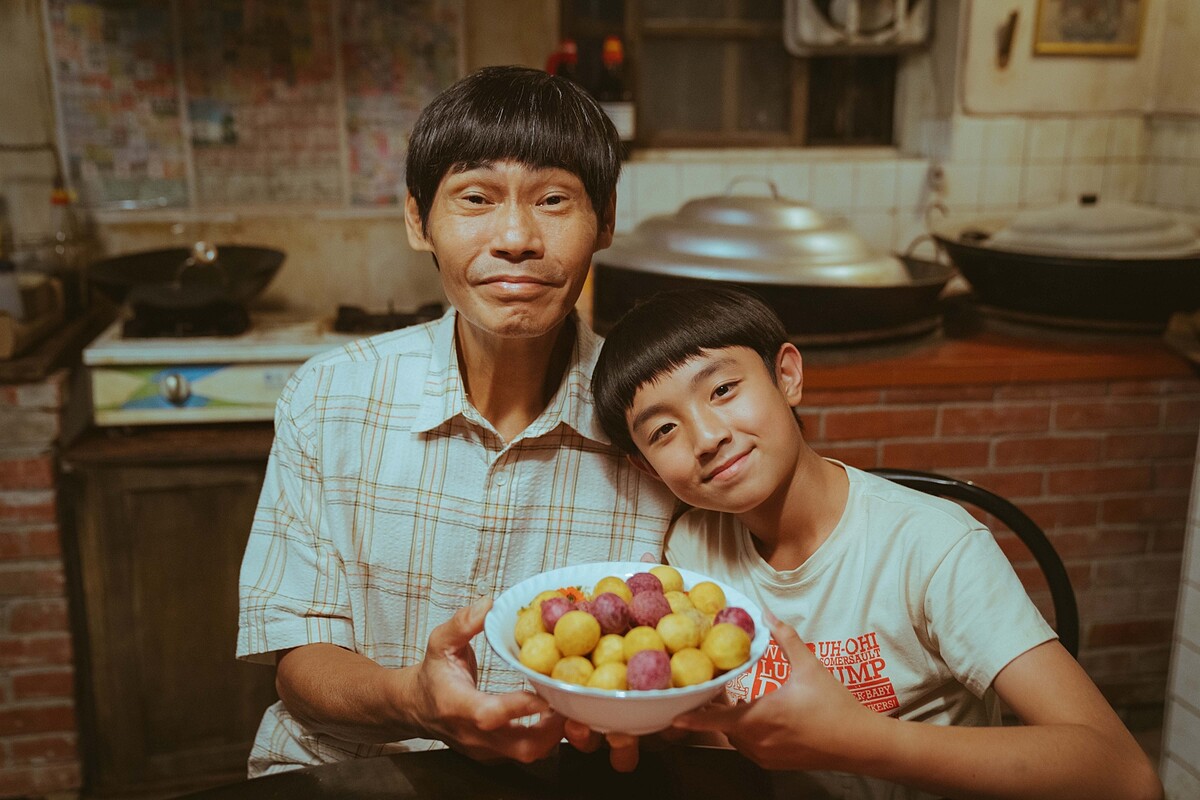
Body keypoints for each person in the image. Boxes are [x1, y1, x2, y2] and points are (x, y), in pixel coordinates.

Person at [236, 65, 678, 776]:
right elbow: (297, 661)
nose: (515, 237)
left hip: (576, 778)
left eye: (555, 199)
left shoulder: (659, 418)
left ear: (606, 221)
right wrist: (413, 700)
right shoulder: (330, 396)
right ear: (419, 220)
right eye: (475, 197)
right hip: (350, 771)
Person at [589, 286, 1163, 800]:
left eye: (723, 388)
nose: (708, 437)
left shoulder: (932, 546)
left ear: (786, 375)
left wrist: (856, 740)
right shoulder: (692, 551)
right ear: (646, 467)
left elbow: (1124, 776)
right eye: (663, 430)